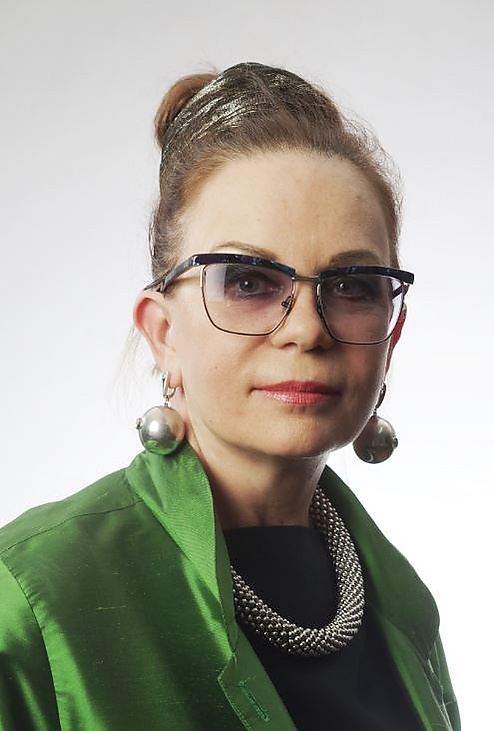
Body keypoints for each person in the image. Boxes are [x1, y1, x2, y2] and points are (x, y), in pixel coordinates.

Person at [0, 62, 460, 730]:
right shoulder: (32, 597)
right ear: (163, 333)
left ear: (392, 333)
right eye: (248, 281)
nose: (306, 329)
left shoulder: (402, 603)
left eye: (353, 286)